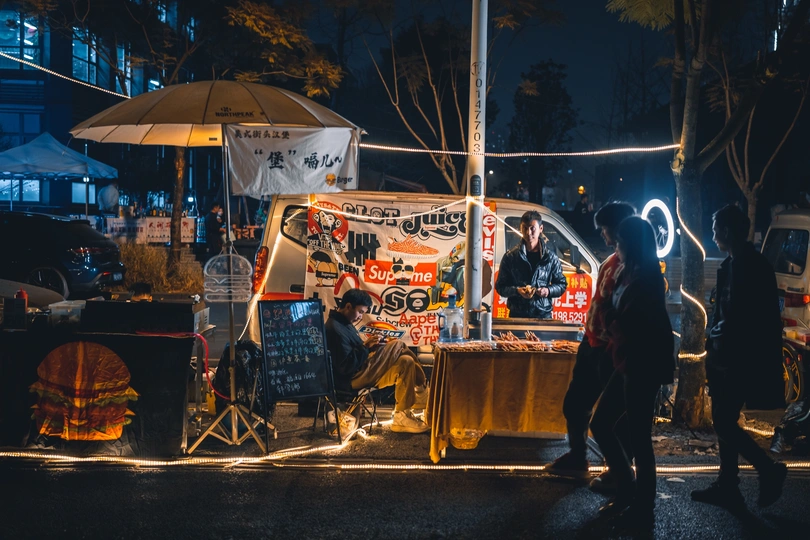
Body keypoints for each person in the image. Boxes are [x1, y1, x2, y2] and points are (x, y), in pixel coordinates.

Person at [691, 205, 787, 509]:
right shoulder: (735, 264)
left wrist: (715, 341)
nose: (713, 235)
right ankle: (729, 486)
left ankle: (767, 469)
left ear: (728, 232)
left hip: (739, 360)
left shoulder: (748, 267)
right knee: (724, 418)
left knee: (722, 420)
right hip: (727, 358)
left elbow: (741, 320)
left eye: (716, 229)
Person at [588, 216, 675, 533]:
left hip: (643, 365)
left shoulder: (648, 278)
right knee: (601, 423)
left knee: (639, 439)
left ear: (633, 244)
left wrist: (608, 314)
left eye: (621, 242)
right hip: (625, 360)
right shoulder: (629, 272)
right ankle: (627, 489)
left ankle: (642, 507)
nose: (615, 246)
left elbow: (630, 322)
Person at [545, 202, 636, 490]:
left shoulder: (633, 264)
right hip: (592, 343)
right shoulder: (611, 260)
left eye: (605, 230)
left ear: (620, 227)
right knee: (575, 404)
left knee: (613, 419)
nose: (603, 235)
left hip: (610, 350)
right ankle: (579, 456)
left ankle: (619, 470)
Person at [325, 288, 429, 433]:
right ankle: (422, 388)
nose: (361, 317)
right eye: (360, 311)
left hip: (362, 371)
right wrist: (366, 347)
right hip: (353, 379)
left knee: (406, 361)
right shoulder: (334, 328)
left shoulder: (344, 324)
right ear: (348, 306)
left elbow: (355, 352)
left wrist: (369, 346)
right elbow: (345, 367)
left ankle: (402, 417)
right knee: (399, 344)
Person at [495, 210, 567, 319]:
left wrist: (547, 291)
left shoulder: (550, 258)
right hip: (517, 316)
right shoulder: (511, 257)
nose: (528, 233)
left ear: (541, 229)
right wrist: (517, 291)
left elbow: (562, 285)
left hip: (543, 316)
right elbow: (500, 287)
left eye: (532, 228)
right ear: (520, 228)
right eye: (525, 228)